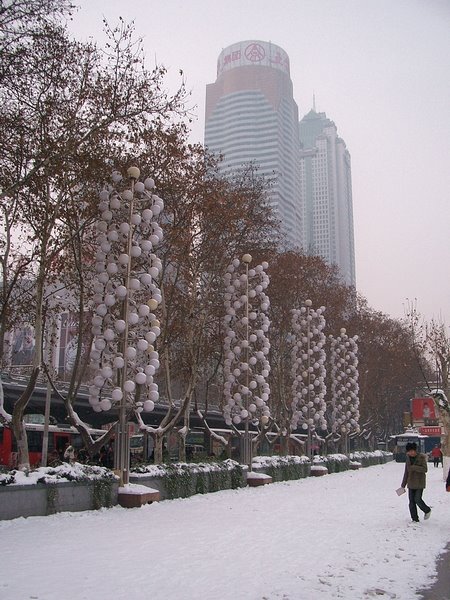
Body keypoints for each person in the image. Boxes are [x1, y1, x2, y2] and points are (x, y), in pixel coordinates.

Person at [400, 442, 431, 522]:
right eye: (409, 451)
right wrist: (403, 485)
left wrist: (414, 467)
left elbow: (425, 469)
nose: (411, 453)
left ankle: (427, 510)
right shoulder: (407, 459)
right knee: (411, 502)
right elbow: (406, 472)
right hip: (411, 483)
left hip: (419, 483)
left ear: (415, 450)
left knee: (417, 499)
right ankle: (415, 519)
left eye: (412, 451)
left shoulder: (421, 457)